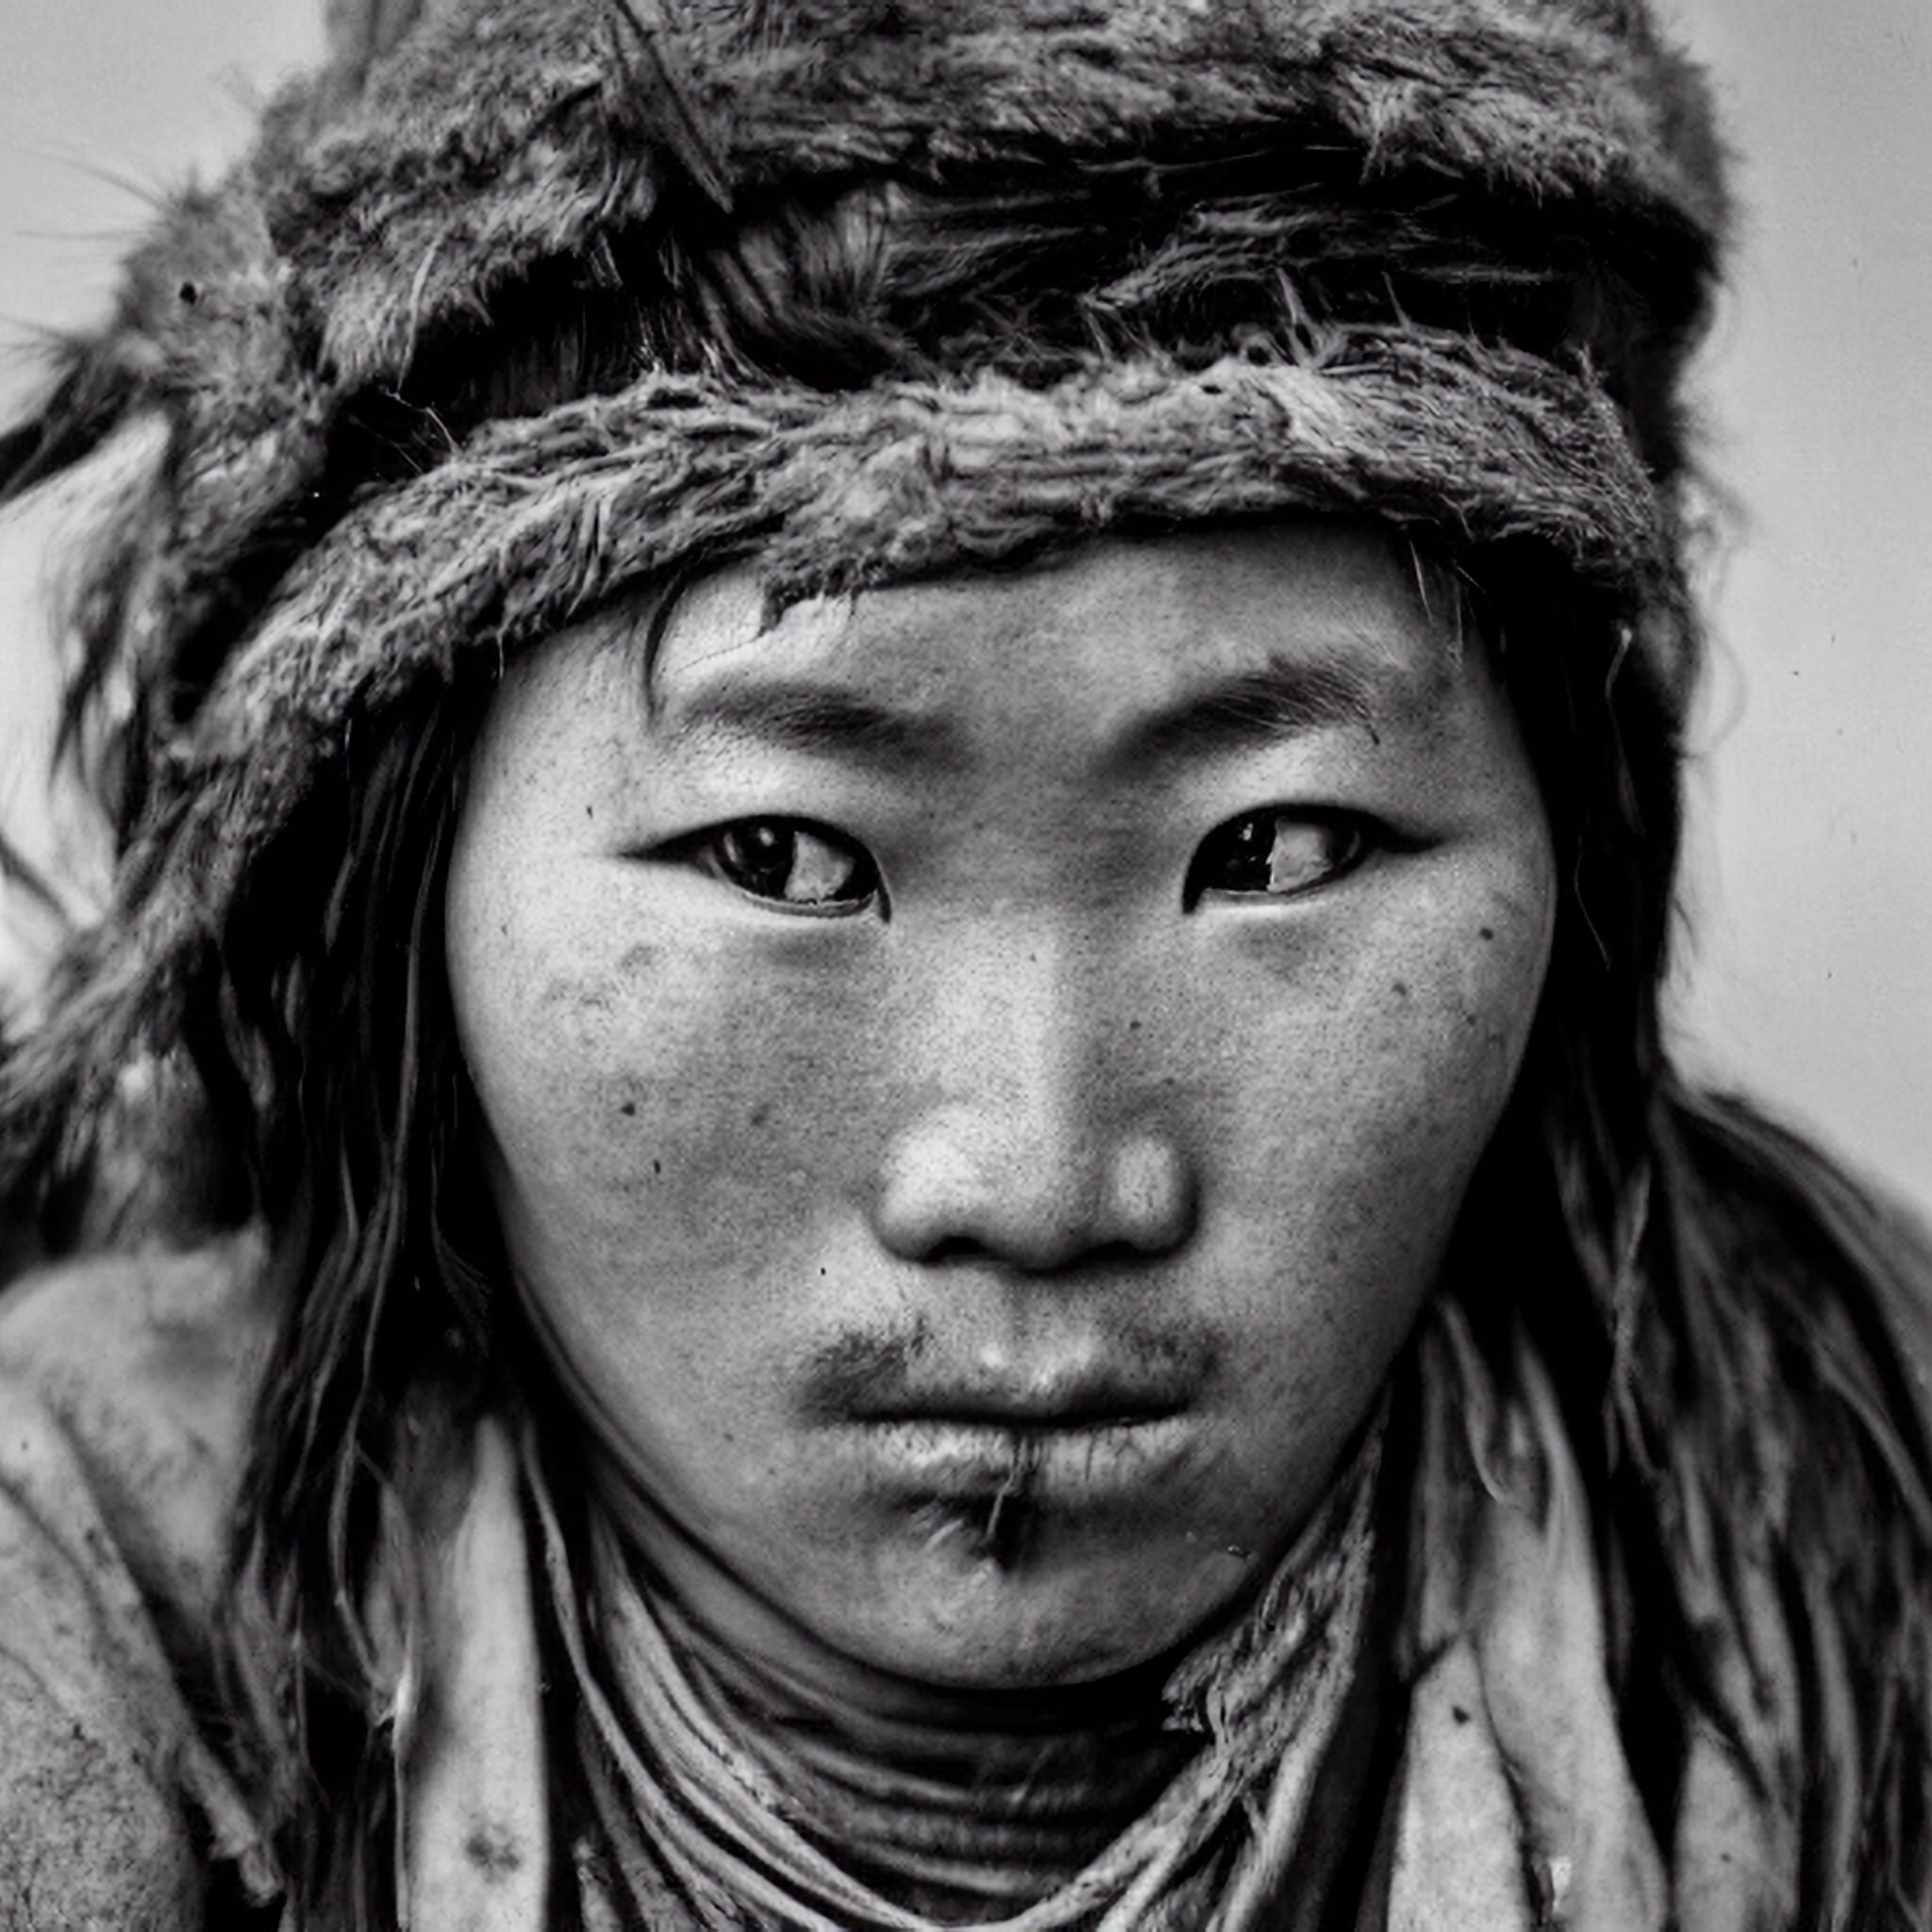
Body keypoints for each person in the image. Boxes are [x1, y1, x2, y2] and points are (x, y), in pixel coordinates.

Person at [1, 1, 1929, 1926]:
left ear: (1568, 855)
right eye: (781, 855)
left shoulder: (1875, 1566)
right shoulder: (68, 1618)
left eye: (1280, 847)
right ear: (390, 881)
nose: (1040, 1181)